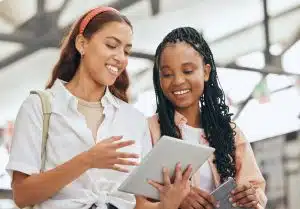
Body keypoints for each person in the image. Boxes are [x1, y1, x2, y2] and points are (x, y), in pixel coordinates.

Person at [6, 7, 191, 209]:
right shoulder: (39, 107)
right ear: (82, 44)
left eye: (126, 50)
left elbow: (136, 204)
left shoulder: (133, 119)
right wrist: (87, 160)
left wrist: (168, 203)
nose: (121, 57)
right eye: (112, 45)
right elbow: (22, 194)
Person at [148, 27, 267, 209]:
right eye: (167, 74)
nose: (178, 80)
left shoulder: (230, 132)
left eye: (187, 71)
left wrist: (251, 198)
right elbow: (135, 201)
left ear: (205, 72)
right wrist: (174, 202)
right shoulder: (149, 131)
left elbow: (256, 190)